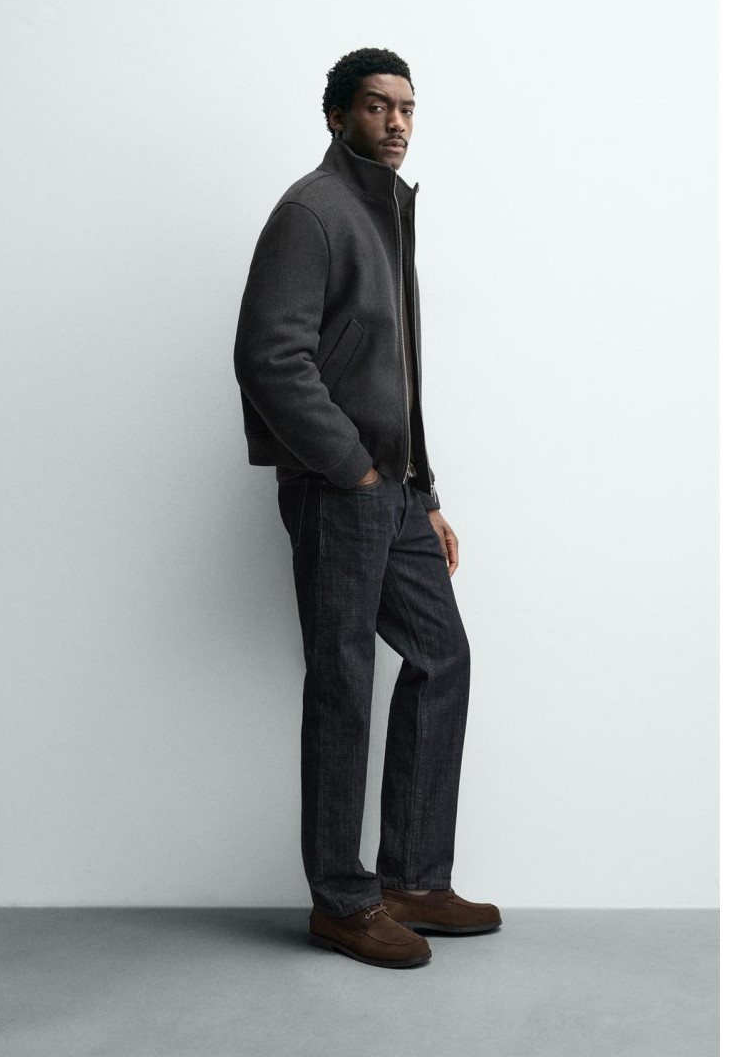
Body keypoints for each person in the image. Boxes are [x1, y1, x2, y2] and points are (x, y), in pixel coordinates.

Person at [233, 48, 501, 968]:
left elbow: (398, 377)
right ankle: (342, 902)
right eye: (379, 106)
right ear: (338, 116)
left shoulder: (389, 212)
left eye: (408, 108)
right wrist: (351, 468)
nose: (397, 123)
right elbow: (269, 357)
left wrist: (424, 490)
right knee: (343, 683)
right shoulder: (311, 212)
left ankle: (413, 880)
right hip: (337, 489)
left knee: (441, 656)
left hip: (397, 492)